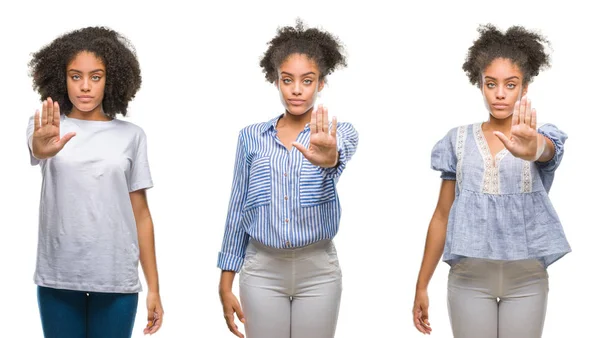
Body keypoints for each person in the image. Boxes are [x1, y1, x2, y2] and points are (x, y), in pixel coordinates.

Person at [412, 24, 571, 338]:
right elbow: (442, 215)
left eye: (510, 85)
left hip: (527, 278)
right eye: (491, 83)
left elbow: (547, 151)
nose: (500, 93)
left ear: (524, 87)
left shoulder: (541, 136)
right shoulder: (457, 141)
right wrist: (421, 284)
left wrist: (535, 147)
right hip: (469, 278)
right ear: (480, 84)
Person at [217, 19, 359, 338]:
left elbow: (338, 154)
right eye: (287, 79)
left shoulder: (338, 133)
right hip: (261, 269)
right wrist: (225, 282)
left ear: (320, 83)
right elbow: (238, 207)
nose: (296, 89)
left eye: (307, 80)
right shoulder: (252, 137)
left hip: (318, 269)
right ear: (276, 80)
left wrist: (329, 157)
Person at [26, 26, 164, 338]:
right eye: (76, 76)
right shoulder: (46, 125)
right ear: (61, 77)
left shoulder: (132, 135)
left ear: (111, 79)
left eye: (95, 76)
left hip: (115, 276)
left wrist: (154, 287)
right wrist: (41, 147)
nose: (85, 86)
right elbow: (37, 148)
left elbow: (141, 214)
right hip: (58, 276)